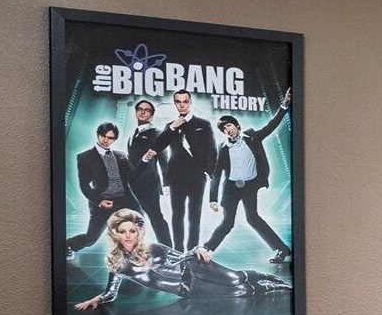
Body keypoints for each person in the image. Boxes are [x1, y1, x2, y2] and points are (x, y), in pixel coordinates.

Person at [73, 209, 288, 315]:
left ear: (139, 232)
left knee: (234, 279)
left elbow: (181, 255)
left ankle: (270, 277)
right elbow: (111, 293)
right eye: (123, 231)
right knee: (240, 291)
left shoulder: (154, 247)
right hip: (186, 289)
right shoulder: (117, 265)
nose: (128, 236)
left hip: (193, 267)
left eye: (132, 230)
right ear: (115, 234)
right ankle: (272, 289)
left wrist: (197, 249)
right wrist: (97, 299)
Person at [200, 93, 292, 261]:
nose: (227, 130)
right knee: (227, 223)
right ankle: (206, 249)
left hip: (250, 186)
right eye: (224, 129)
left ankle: (282, 249)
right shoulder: (222, 148)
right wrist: (212, 198)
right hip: (231, 189)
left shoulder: (252, 137)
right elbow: (217, 174)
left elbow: (271, 126)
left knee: (253, 218)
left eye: (229, 125)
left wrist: (284, 106)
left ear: (236, 125)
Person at [156, 90, 216, 255]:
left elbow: (212, 150)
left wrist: (208, 173)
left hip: (197, 177)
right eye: (178, 102)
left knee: (194, 215)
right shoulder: (170, 126)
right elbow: (159, 147)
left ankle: (192, 251)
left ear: (190, 102)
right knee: (177, 215)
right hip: (176, 177)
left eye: (185, 101)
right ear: (175, 103)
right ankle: (177, 251)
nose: (182, 105)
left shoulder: (203, 124)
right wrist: (172, 128)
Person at [67, 122, 131, 254]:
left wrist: (146, 160)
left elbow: (133, 176)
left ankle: (133, 257)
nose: (106, 140)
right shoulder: (85, 157)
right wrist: (99, 201)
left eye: (110, 138)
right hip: (103, 202)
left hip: (124, 201)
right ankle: (67, 245)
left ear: (115, 139)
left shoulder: (121, 155)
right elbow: (84, 185)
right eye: (103, 136)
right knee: (91, 239)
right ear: (97, 135)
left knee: (136, 229)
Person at [123, 97, 172, 243]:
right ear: (136, 112)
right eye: (140, 109)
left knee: (155, 216)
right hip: (132, 184)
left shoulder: (157, 133)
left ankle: (168, 248)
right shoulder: (132, 134)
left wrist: (166, 183)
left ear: (152, 114)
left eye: (147, 110)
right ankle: (135, 249)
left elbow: (164, 159)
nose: (143, 112)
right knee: (134, 219)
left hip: (149, 183)